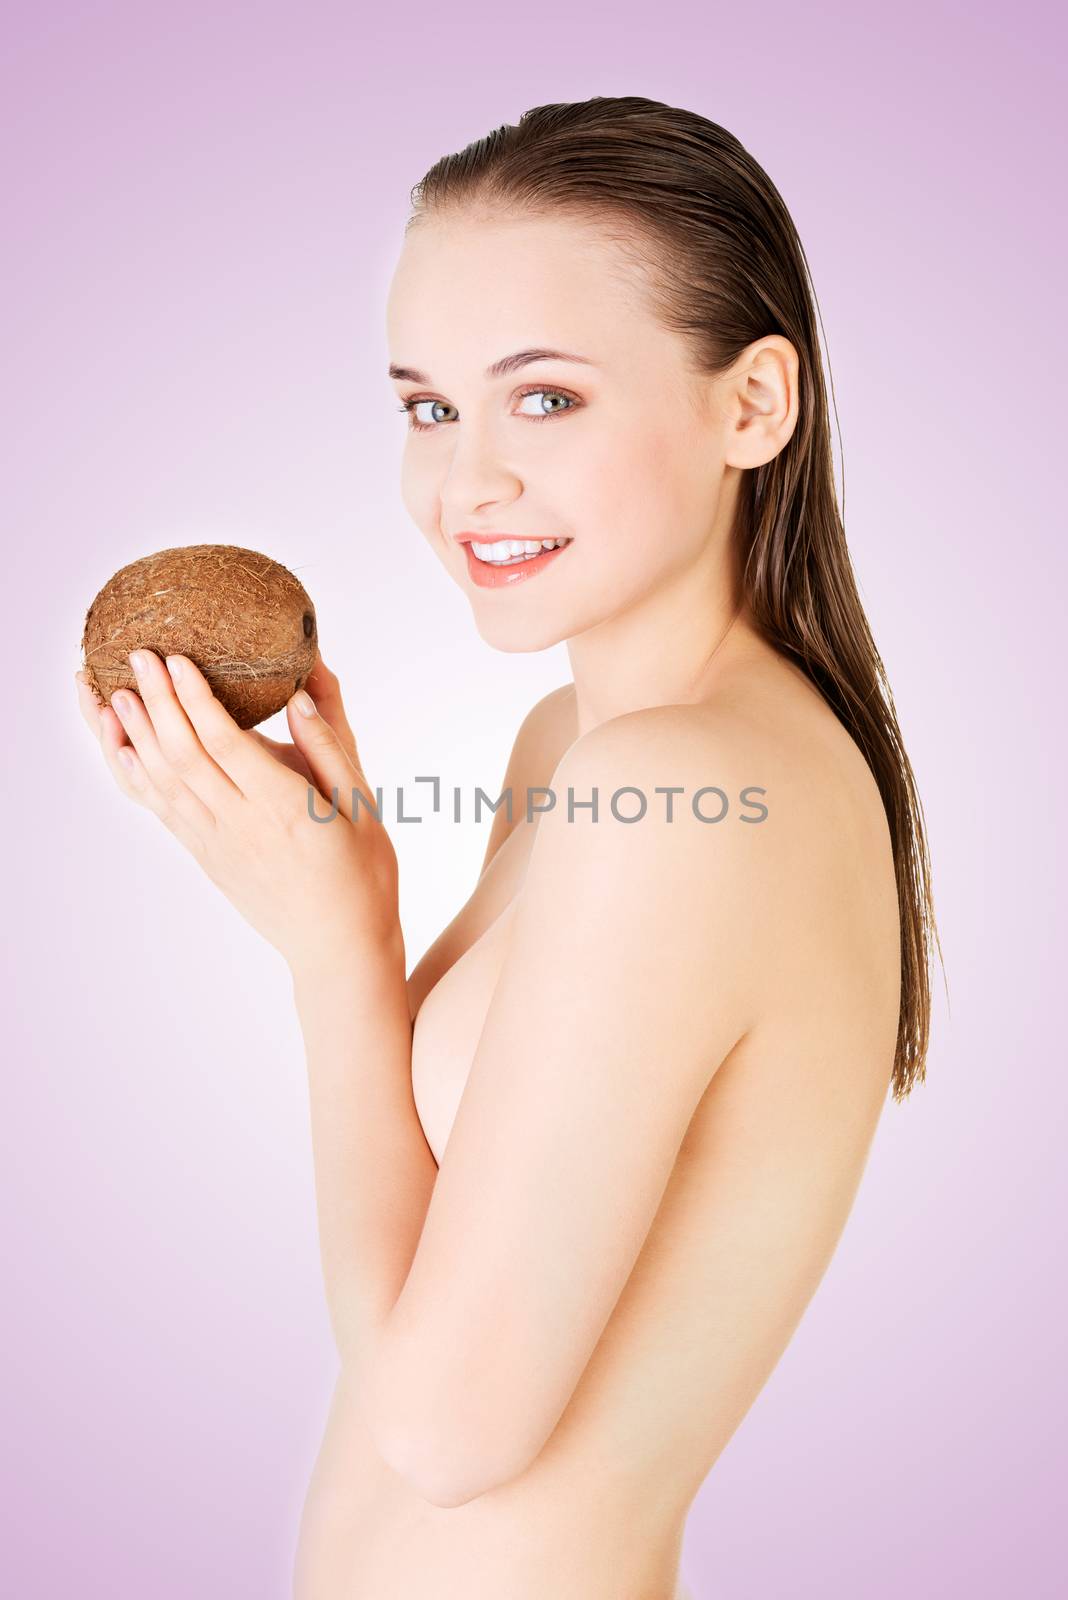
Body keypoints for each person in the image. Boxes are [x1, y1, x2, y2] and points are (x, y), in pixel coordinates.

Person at [75, 95, 941, 1600]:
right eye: (428, 406)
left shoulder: (690, 796)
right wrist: (341, 892)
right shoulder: (580, 754)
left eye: (545, 399)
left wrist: (340, 954)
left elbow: (442, 1432)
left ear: (754, 405)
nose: (465, 483)